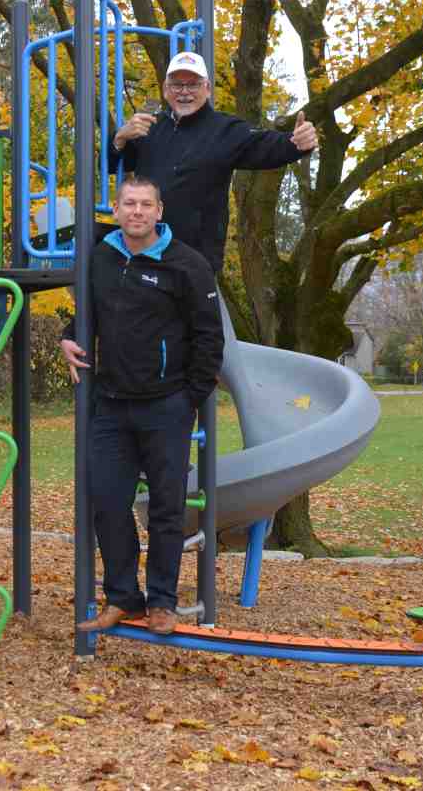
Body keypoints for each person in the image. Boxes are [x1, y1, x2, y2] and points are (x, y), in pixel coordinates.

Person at [59, 176, 224, 635]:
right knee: (107, 502)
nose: (136, 211)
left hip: (166, 404)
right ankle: (123, 597)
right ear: (116, 210)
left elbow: (209, 336)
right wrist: (69, 336)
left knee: (166, 509)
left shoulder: (186, 264)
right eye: (129, 204)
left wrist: (189, 397)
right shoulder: (103, 257)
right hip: (111, 405)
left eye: (145, 204)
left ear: (159, 211)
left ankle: (163, 603)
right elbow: (90, 311)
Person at [110, 51, 319, 274]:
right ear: (165, 89)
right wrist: (120, 138)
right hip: (143, 253)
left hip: (194, 260)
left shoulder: (225, 130)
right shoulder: (149, 127)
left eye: (193, 85)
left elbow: (265, 145)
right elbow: (114, 165)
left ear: (207, 88)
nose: (184, 92)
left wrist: (296, 143)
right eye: (177, 85)